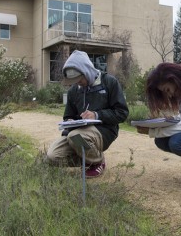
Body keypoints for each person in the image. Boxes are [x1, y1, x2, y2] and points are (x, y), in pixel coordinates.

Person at [46, 50, 129, 178]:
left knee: (76, 135)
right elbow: (68, 115)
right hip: (77, 133)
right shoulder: (74, 90)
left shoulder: (109, 82)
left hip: (104, 131)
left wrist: (97, 115)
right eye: (74, 80)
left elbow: (122, 113)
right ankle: (88, 160)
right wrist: (69, 122)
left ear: (87, 70)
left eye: (80, 79)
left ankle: (97, 162)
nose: (77, 83)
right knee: (52, 156)